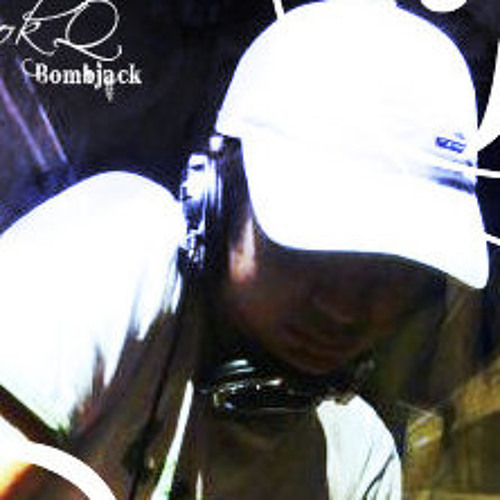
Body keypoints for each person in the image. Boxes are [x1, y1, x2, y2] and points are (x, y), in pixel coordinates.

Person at [0, 0, 490, 498]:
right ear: (217, 193)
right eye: (314, 249)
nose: (342, 309)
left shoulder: (362, 464)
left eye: (389, 273)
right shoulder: (119, 247)